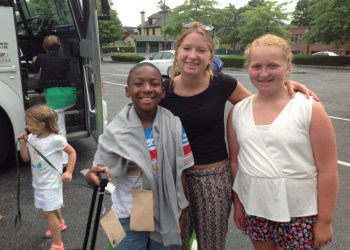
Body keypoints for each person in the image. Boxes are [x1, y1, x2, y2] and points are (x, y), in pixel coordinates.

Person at [159, 21, 319, 250]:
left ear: (210, 55)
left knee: (212, 245)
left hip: (212, 179)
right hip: (172, 178)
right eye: (186, 48)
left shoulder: (223, 84)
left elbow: (260, 102)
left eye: (201, 50)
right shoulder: (163, 91)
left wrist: (286, 84)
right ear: (177, 52)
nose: (192, 56)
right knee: (174, 242)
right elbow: (132, 125)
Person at [227, 34, 339, 249]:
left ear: (288, 66)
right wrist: (238, 204)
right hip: (256, 207)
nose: (264, 73)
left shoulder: (308, 108)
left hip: (300, 211)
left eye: (273, 65)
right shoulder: (237, 112)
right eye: (256, 66)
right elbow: (235, 162)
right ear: (248, 67)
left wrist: (325, 221)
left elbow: (327, 169)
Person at [85, 62, 194, 250]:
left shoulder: (174, 126)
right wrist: (91, 177)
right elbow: (97, 172)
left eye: (154, 84)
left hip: (165, 212)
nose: (147, 89)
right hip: (128, 213)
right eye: (138, 83)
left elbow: (181, 171)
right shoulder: (115, 131)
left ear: (163, 91)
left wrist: (181, 210)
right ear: (127, 91)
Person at [18, 104, 77, 250]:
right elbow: (25, 159)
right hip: (39, 182)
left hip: (52, 183)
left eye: (30, 123)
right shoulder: (31, 137)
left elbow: (72, 152)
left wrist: (68, 171)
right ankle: (61, 223)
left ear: (42, 124)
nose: (27, 126)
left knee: (48, 212)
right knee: (50, 208)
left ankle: (57, 244)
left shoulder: (55, 139)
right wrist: (23, 144)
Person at [31, 35, 77, 166]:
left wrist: (35, 61)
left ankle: (64, 160)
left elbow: (33, 69)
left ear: (44, 47)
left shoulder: (41, 57)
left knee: (60, 129)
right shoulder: (66, 59)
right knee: (57, 125)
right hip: (69, 96)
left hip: (55, 98)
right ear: (60, 46)